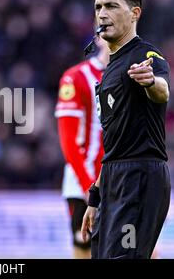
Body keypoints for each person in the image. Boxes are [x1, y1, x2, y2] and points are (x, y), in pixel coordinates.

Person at [81, 0, 171, 259]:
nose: (102, 14)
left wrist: (150, 82)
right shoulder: (111, 68)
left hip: (140, 177)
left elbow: (162, 90)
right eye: (98, 7)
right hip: (114, 178)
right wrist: (96, 197)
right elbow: (115, 140)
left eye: (111, 6)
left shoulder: (144, 55)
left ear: (134, 14)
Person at [55, 37, 109, 259]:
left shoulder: (135, 74)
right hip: (84, 182)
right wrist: (89, 186)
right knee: (84, 249)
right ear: (97, 38)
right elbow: (68, 141)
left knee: (141, 248)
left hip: (125, 176)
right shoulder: (76, 77)